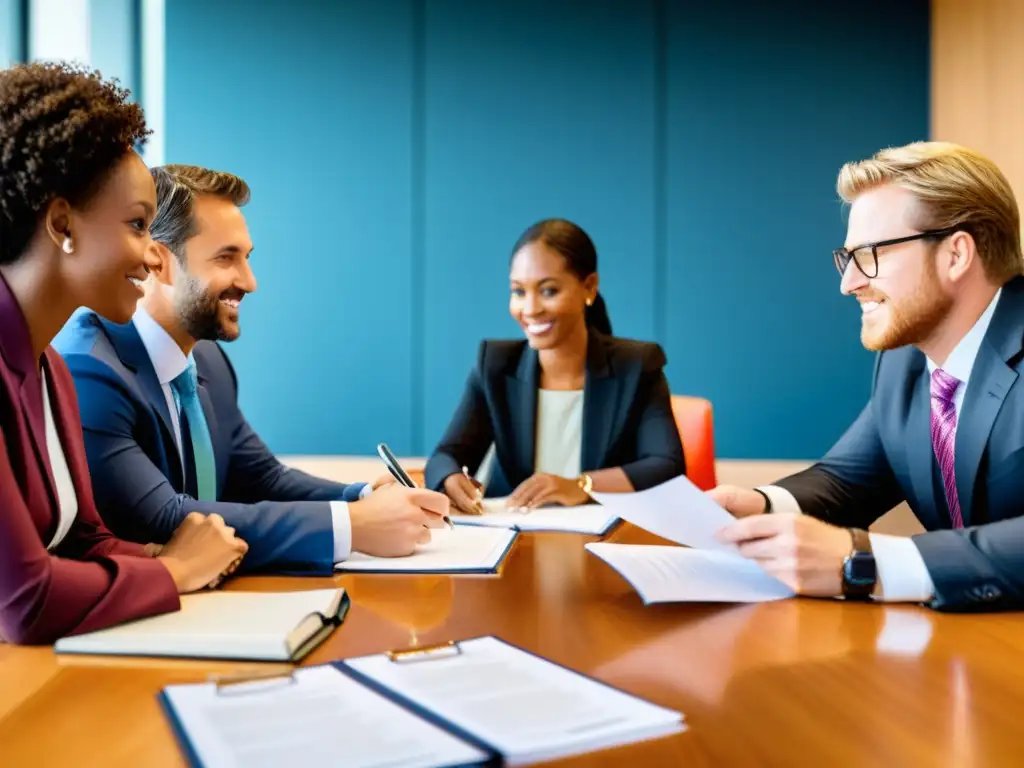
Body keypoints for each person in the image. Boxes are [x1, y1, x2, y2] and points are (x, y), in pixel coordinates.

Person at [55, 164, 448, 574]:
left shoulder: (207, 360)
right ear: (158, 262)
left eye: (246, 258)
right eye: (227, 258)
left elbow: (262, 478)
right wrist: (354, 526)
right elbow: (163, 519)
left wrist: (362, 496)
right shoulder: (90, 370)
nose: (249, 281)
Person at [711, 141, 1024, 612]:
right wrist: (757, 504)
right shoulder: (904, 359)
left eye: (871, 253)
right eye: (848, 258)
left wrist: (870, 562)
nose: (849, 283)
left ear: (956, 255)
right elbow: (848, 481)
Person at [0, 63, 248, 644]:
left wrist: (171, 553)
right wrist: (174, 569)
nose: (151, 256)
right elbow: (24, 602)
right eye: (138, 225)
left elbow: (84, 540)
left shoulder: (50, 370)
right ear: (62, 224)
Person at [425, 218, 685, 513]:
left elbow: (667, 465)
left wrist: (580, 485)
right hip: (510, 537)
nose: (530, 309)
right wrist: (450, 477)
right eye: (519, 292)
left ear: (589, 286)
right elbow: (445, 455)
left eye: (548, 291)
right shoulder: (496, 365)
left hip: (601, 540)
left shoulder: (636, 366)